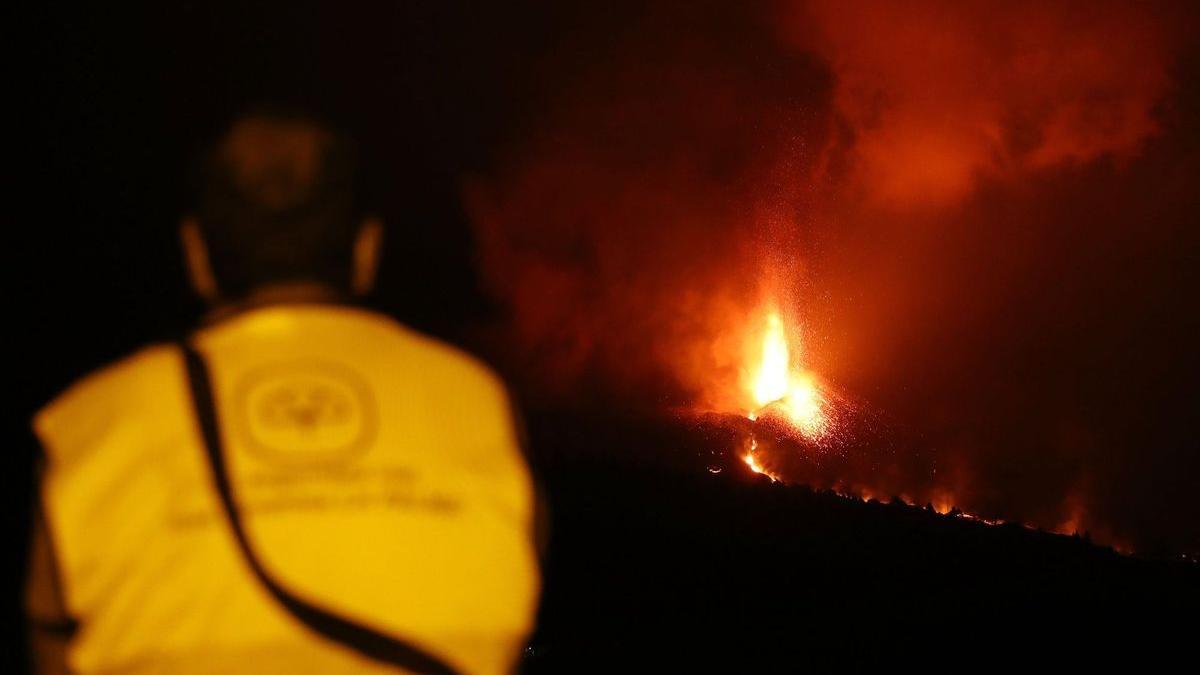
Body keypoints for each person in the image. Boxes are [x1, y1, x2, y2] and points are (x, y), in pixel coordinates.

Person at [25, 109, 542, 675]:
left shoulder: (92, 422)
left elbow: (51, 646)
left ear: (196, 256)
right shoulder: (476, 401)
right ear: (367, 251)